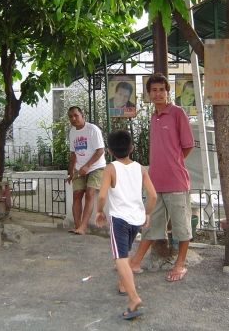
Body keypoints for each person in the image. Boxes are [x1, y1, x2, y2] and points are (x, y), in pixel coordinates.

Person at [130, 73, 195, 282]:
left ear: (168, 92)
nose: (157, 94)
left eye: (161, 90)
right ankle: (135, 261)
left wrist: (173, 163)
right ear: (149, 94)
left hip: (176, 182)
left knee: (181, 228)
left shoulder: (178, 113)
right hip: (155, 182)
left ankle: (180, 265)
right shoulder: (153, 116)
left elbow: (188, 145)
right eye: (154, 90)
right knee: (150, 225)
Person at [95, 130, 156, 320]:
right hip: (136, 219)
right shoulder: (140, 168)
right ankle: (123, 285)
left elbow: (103, 195)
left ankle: (134, 298)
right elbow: (153, 195)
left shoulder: (110, 168)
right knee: (125, 253)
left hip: (119, 219)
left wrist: (99, 211)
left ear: (110, 151)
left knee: (120, 258)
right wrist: (146, 213)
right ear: (132, 148)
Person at [66, 106, 106, 235]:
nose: (73, 118)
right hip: (79, 167)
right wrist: (70, 172)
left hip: (96, 167)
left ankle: (83, 226)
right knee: (76, 195)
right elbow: (73, 154)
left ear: (82, 115)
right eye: (71, 116)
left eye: (76, 115)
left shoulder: (92, 129)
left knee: (89, 193)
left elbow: (100, 150)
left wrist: (88, 166)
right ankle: (78, 226)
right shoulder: (72, 132)